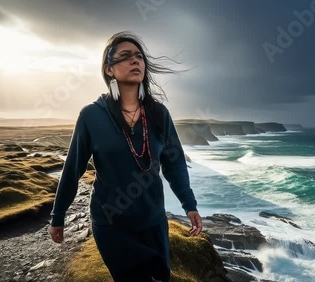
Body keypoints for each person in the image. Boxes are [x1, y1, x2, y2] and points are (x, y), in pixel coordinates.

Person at [48, 31, 202, 282]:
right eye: (126, 56)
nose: (135, 61)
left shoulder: (159, 114)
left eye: (139, 56)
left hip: (153, 222)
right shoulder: (91, 116)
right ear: (109, 69)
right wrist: (58, 216)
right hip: (112, 224)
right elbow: (73, 168)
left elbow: (174, 164)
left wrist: (189, 204)